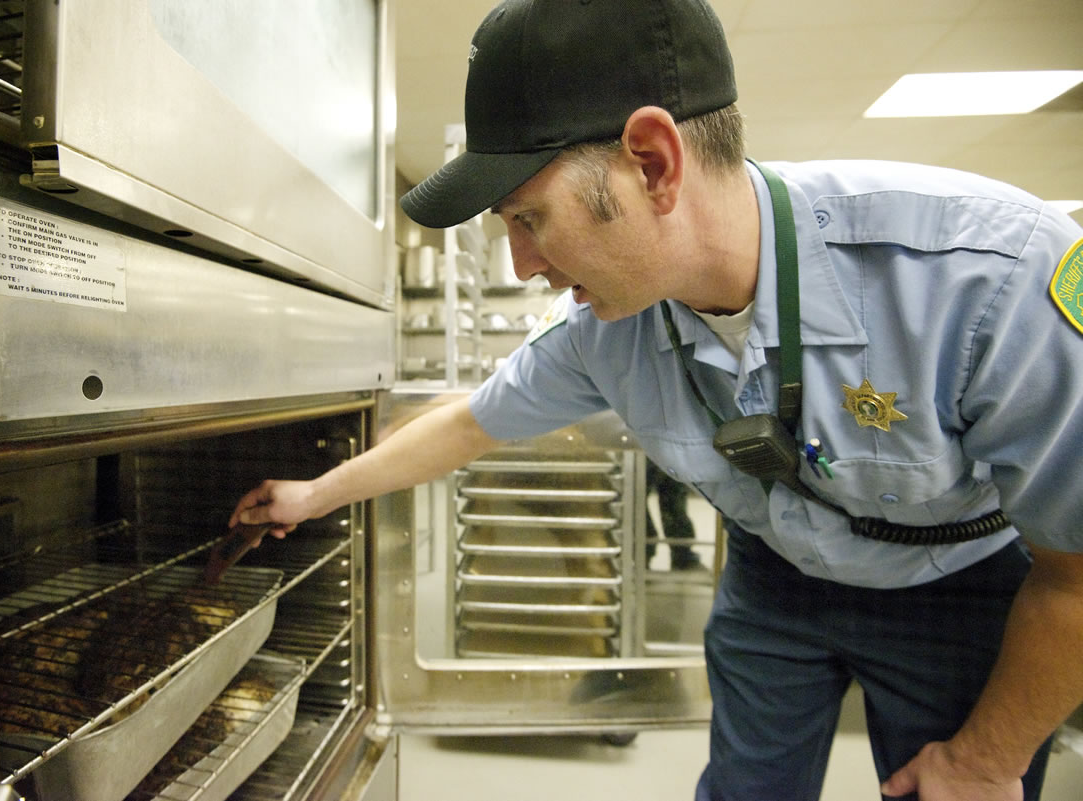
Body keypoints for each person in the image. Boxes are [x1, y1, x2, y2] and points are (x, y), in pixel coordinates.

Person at [229, 0, 1083, 798]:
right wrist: (314, 494)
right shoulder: (607, 330)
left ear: (653, 163)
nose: (525, 266)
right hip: (774, 574)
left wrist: (987, 756)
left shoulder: (990, 280)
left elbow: (1077, 576)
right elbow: (468, 421)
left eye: (529, 219)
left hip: (956, 584)